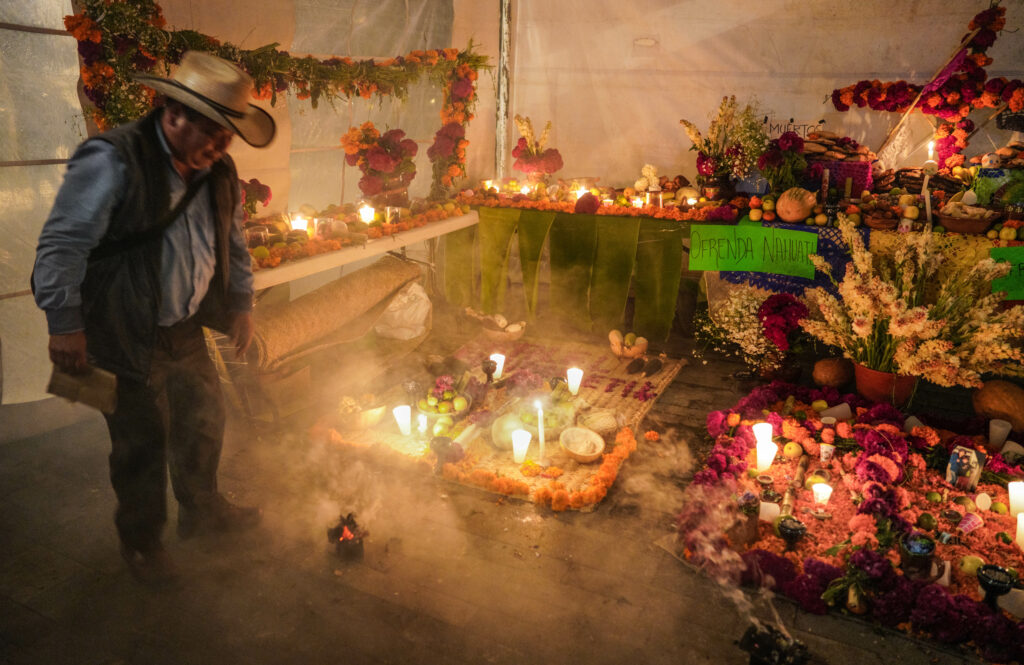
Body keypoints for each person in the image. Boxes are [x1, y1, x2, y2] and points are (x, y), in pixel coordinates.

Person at [32, 51, 276, 586]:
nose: (219, 145)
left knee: (204, 422)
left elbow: (231, 237)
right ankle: (142, 546)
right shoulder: (113, 159)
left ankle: (203, 512)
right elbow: (61, 245)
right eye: (211, 130)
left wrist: (241, 301)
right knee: (140, 444)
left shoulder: (219, 168)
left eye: (227, 134)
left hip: (183, 329)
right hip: (122, 331)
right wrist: (65, 323)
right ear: (172, 113)